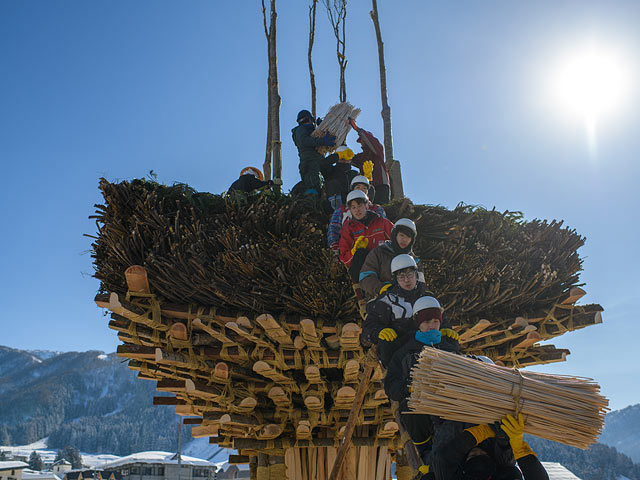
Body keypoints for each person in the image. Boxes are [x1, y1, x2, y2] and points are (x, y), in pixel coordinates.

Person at [383, 296, 461, 478]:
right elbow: (391, 387)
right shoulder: (404, 352)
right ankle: (426, 452)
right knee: (408, 409)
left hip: (448, 406)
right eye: (427, 321)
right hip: (420, 409)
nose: (432, 325)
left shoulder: (450, 349)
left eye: (435, 321)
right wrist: (409, 387)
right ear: (418, 323)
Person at [361, 254, 434, 366]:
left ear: (416, 275)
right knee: (386, 343)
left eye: (410, 275)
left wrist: (446, 329)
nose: (406, 280)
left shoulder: (427, 298)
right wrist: (379, 331)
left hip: (426, 349)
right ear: (395, 279)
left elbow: (441, 320)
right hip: (398, 354)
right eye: (401, 277)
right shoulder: (388, 300)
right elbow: (368, 325)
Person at [433, 414, 549, 480]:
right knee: (506, 463)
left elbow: (443, 460)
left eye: (474, 455)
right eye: (481, 454)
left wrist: (480, 433)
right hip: (495, 449)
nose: (478, 451)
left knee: (440, 451)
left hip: (459, 437)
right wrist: (517, 445)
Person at [359, 218, 425, 299]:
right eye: (402, 235)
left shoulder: (415, 261)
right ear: (394, 235)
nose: (404, 239)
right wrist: (381, 288)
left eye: (408, 237)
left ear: (412, 240)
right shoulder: (379, 253)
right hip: (379, 300)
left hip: (408, 302)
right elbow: (365, 277)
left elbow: (421, 284)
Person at [339, 190, 393, 284]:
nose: (357, 210)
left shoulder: (381, 222)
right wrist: (353, 251)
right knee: (360, 253)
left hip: (384, 265)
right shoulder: (349, 228)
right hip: (364, 270)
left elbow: (397, 239)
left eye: (360, 206)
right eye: (353, 207)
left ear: (366, 205)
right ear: (350, 210)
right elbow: (344, 257)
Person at [327, 175, 386, 256]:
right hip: (350, 248)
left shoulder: (376, 209)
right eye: (358, 187)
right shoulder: (342, 210)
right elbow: (334, 228)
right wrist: (335, 246)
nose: (361, 190)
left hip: (375, 247)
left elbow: (383, 226)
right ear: (352, 190)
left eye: (364, 188)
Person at [291, 109, 337, 194]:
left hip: (318, 162)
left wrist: (323, 126)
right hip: (309, 164)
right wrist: (322, 141)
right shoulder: (300, 130)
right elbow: (305, 141)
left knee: (327, 180)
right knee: (313, 184)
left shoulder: (312, 132)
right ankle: (312, 201)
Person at [350, 122, 390, 204]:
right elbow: (349, 159)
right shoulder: (362, 157)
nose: (361, 142)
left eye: (362, 140)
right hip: (367, 185)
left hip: (381, 184)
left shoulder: (378, 150)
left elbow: (371, 141)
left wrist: (358, 130)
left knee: (381, 205)